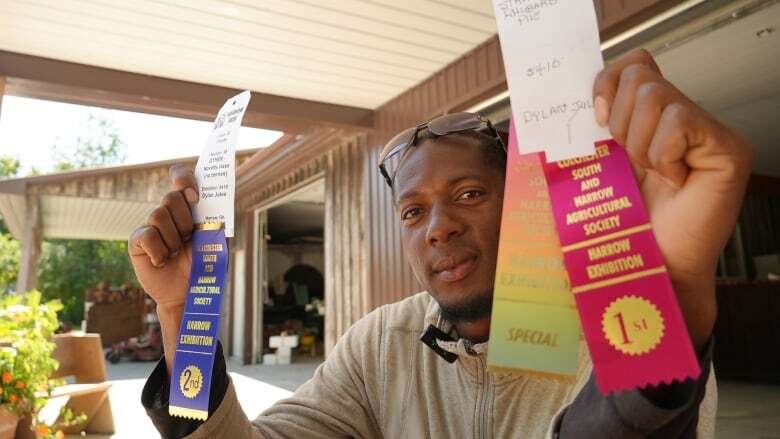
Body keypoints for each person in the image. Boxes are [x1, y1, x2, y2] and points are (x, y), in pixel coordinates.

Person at [131, 49, 753, 438]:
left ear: (526, 204)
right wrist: (185, 319)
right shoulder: (379, 347)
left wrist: (665, 287)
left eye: (469, 195)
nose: (438, 228)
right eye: (412, 211)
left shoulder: (613, 329)